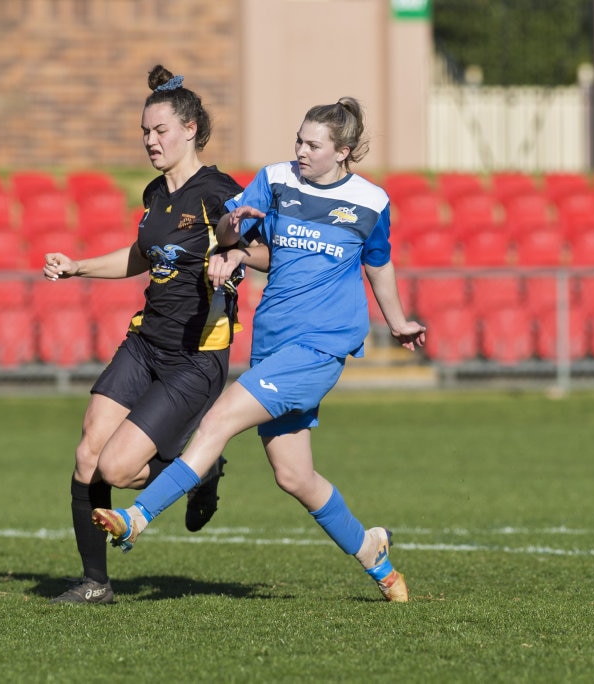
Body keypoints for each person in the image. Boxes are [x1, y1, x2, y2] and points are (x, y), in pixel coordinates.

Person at [92, 98, 427, 602]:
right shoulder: (275, 181)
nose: (300, 151)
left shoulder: (372, 202)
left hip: (320, 349)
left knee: (218, 420)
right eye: (298, 139)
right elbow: (233, 233)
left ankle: (136, 518)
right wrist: (232, 237)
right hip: (273, 346)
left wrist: (397, 322)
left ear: (344, 151)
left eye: (312, 145)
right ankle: (374, 554)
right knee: (294, 475)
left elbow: (378, 264)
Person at [42, 65, 247, 604]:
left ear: (190, 129)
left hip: (194, 356)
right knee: (89, 453)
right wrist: (79, 267)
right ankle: (95, 583)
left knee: (118, 466)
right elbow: (141, 255)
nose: (150, 141)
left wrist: (233, 256)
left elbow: (248, 244)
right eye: (144, 132)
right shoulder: (156, 192)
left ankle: (201, 469)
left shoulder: (220, 192)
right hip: (144, 342)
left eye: (159, 131)